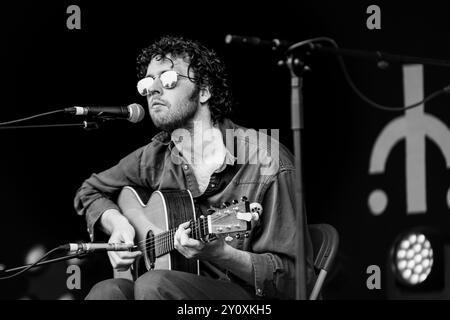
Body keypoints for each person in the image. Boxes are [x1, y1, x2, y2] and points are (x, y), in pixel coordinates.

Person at [74, 35, 315, 300]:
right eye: (146, 83)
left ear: (204, 91)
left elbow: (297, 282)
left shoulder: (267, 161)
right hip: (168, 286)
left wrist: (224, 254)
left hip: (248, 300)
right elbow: (90, 191)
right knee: (106, 291)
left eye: (167, 79)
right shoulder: (155, 155)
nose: (153, 89)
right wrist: (118, 224)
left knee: (154, 285)